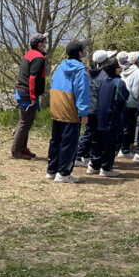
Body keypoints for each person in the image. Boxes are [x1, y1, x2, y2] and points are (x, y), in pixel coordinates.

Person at [46, 40, 90, 183]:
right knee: (69, 142)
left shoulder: (60, 67)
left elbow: (53, 82)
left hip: (57, 107)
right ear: (79, 53)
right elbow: (82, 92)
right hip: (70, 109)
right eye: (84, 49)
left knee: (56, 140)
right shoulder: (80, 70)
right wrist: (83, 113)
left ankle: (52, 170)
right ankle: (64, 173)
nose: (85, 51)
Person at [87, 56, 129, 177]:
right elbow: (121, 99)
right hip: (112, 117)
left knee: (98, 142)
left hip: (100, 115)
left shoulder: (104, 80)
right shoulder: (119, 82)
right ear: (116, 69)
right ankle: (106, 168)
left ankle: (94, 165)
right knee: (110, 143)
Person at [10, 32, 48, 160]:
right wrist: (33, 96)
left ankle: (22, 148)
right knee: (25, 122)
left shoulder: (29, 54)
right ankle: (16, 151)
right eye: (44, 41)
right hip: (27, 93)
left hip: (23, 91)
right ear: (38, 44)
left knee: (27, 122)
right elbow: (32, 78)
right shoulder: (38, 58)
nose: (46, 43)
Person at [75, 49, 114, 166]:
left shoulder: (89, 72)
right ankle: (78, 155)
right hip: (98, 108)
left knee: (89, 132)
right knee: (91, 134)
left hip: (89, 107)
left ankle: (84, 155)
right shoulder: (105, 75)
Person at [117, 51, 139, 158]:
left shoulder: (124, 69)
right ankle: (125, 149)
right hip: (132, 102)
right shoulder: (137, 71)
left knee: (123, 126)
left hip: (123, 101)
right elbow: (136, 90)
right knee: (129, 126)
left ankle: (120, 147)